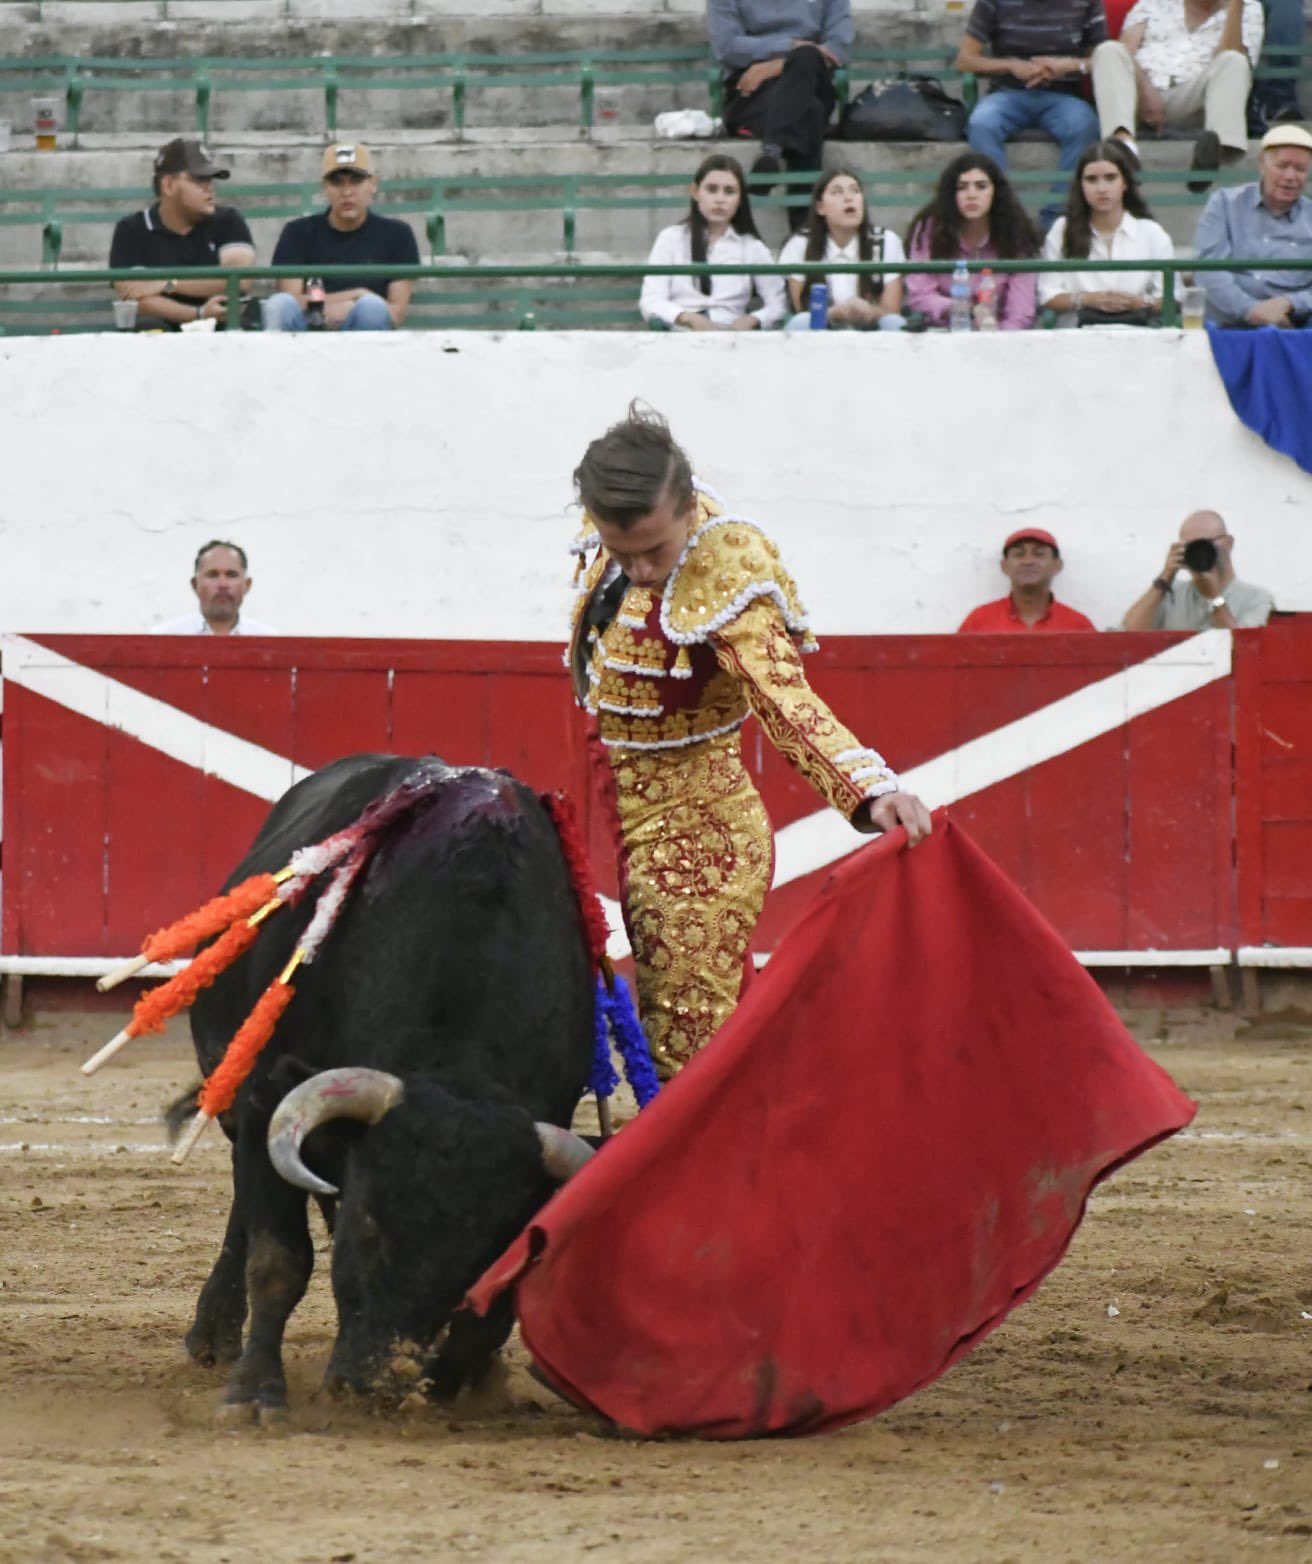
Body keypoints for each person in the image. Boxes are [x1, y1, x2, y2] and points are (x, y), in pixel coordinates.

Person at [568, 405, 931, 1076]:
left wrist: (869, 790)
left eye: (655, 550)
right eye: (623, 554)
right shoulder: (620, 530)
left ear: (686, 508)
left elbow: (782, 697)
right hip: (624, 819)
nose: (641, 571)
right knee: (698, 1033)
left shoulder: (727, 566)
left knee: (691, 1047)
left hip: (698, 837)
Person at [1090, 0, 1263, 190]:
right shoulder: (1153, 4)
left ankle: (1215, 151)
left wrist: (1234, 6)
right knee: (1108, 50)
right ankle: (1123, 149)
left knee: (1234, 60)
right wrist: (1145, 89)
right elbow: (1125, 52)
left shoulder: (1248, 8)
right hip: (1139, 96)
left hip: (1196, 101)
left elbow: (1231, 53)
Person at [955, 0, 1104, 216]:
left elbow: (1100, 58)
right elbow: (965, 60)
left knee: (1084, 124)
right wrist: (1012, 66)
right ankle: (1005, 214)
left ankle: (1056, 218)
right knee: (981, 123)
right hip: (1007, 94)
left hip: (1063, 96)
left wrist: (1066, 66)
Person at [708, 0, 852, 223]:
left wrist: (780, 64)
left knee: (807, 56)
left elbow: (839, 47)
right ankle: (803, 232)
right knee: (809, 111)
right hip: (751, 88)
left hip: (813, 77)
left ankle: (773, 148)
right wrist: (790, 47)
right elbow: (728, 48)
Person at [264, 142, 420, 332]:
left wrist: (352, 304)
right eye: (337, 182)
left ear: (373, 184)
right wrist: (356, 295)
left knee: (372, 308)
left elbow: (395, 313)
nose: (347, 192)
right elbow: (290, 299)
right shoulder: (297, 232)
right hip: (307, 331)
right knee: (278, 305)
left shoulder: (397, 234)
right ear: (325, 187)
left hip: (365, 332)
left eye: (356, 181)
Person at [108, 138, 256, 332]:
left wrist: (167, 284)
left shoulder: (228, 220)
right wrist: (198, 313)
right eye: (198, 180)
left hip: (219, 323)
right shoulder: (131, 229)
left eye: (210, 180)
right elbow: (134, 297)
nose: (209, 187)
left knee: (240, 329)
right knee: (147, 327)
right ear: (168, 185)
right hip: (163, 325)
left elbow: (238, 281)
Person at [639, 154, 787, 330]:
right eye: (712, 189)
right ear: (695, 192)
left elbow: (778, 303)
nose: (720, 199)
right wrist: (687, 318)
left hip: (732, 338)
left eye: (729, 191)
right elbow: (651, 300)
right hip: (682, 337)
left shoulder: (751, 247)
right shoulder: (671, 239)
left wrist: (753, 319)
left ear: (740, 200)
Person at [1039, 139, 1176, 322]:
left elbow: (1171, 298)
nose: (1102, 189)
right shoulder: (1061, 229)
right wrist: (1088, 300)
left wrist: (1139, 302)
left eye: (1111, 178)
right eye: (1092, 179)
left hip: (1138, 332)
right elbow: (1048, 295)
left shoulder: (1152, 233)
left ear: (1125, 183)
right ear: (1081, 185)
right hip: (1078, 335)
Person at [1195, 123, 1312, 326]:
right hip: (1227, 327)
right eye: (1282, 166)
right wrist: (1251, 311)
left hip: (1291, 329)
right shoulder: (1224, 204)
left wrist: (1290, 302)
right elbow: (1208, 269)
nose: (1290, 177)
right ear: (1262, 165)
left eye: (1300, 169)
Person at [905, 153, 1039, 329]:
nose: (971, 195)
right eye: (962, 187)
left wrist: (1000, 337)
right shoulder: (930, 229)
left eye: (981, 186)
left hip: (1000, 335)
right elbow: (920, 295)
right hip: (941, 333)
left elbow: (1021, 310)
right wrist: (963, 310)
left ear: (996, 192)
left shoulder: (1015, 231)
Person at [778, 168, 908, 330]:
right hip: (822, 327)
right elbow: (801, 309)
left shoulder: (886, 240)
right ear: (820, 208)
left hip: (871, 328)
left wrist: (869, 311)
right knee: (800, 322)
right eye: (837, 192)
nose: (848, 198)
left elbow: (891, 310)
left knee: (895, 323)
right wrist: (837, 313)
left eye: (855, 191)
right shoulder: (800, 244)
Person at [1121, 510, 1274, 628]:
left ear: (1229, 543)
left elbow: (1243, 649)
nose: (1200, 551)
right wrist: (1165, 579)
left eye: (1206, 543)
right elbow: (1128, 633)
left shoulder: (1256, 598)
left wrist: (1214, 598)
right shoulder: (1170, 594)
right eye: (1190, 546)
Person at [958, 529, 1097, 630]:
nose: (1028, 561)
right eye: (1019, 554)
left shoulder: (1078, 625)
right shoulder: (979, 621)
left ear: (1057, 565)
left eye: (1039, 554)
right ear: (1004, 566)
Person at [153, 541, 278, 636]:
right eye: (212, 575)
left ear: (247, 585)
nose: (222, 584)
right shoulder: (166, 638)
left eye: (231, 575)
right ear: (195, 584)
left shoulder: (268, 640)